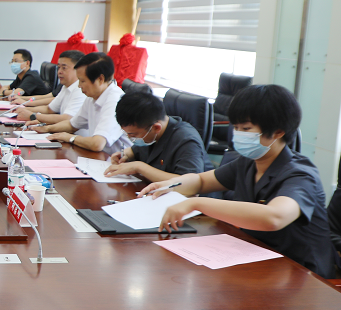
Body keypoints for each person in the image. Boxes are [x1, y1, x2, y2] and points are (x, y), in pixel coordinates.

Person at [143, 84, 337, 279]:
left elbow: (274, 217)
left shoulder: (301, 175)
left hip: (302, 274)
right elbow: (201, 181)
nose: (238, 134)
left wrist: (196, 202)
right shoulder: (249, 162)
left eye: (246, 129)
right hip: (256, 259)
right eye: (235, 128)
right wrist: (171, 185)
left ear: (278, 132)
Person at [103, 92, 214, 182]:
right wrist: (125, 155)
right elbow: (134, 151)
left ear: (156, 128)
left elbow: (189, 183)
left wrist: (139, 167)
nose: (130, 138)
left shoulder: (186, 140)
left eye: (133, 134)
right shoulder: (149, 134)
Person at [35, 52, 131, 155]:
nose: (79, 86)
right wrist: (46, 128)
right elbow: (72, 124)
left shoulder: (115, 100)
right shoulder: (93, 96)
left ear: (100, 79)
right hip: (100, 157)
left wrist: (70, 138)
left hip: (116, 160)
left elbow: (97, 144)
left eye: (82, 81)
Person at [16, 50, 86, 127]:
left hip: (69, 133)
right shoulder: (66, 86)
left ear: (78, 69)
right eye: (59, 67)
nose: (59, 71)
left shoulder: (80, 90)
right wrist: (24, 110)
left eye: (64, 68)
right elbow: (49, 109)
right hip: (61, 132)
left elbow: (67, 118)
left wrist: (33, 116)